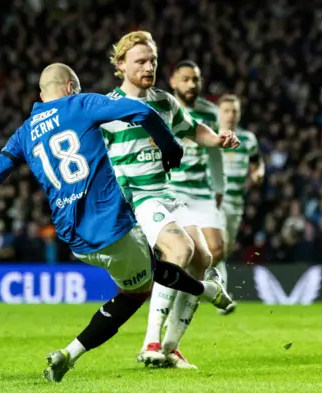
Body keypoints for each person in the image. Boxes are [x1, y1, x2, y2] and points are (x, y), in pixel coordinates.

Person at [0, 63, 233, 383]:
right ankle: (74, 352)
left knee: (145, 267)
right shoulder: (81, 103)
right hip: (112, 227)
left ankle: (208, 291)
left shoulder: (24, 132)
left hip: (74, 239)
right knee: (138, 290)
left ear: (40, 94)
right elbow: (143, 112)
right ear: (69, 88)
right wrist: (171, 148)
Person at [101, 31, 239, 369]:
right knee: (180, 251)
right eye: (140, 61)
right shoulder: (107, 107)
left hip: (167, 193)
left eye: (152, 61)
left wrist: (217, 140)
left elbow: (194, 130)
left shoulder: (164, 101)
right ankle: (150, 342)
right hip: (137, 197)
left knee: (202, 259)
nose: (149, 67)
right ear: (120, 65)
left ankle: (170, 347)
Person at [167, 62, 229, 312]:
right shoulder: (164, 108)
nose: (191, 84)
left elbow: (216, 153)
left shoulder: (210, 112)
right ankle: (170, 294)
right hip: (172, 188)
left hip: (201, 190)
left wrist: (219, 187)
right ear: (173, 82)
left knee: (216, 248)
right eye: (186, 79)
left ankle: (186, 292)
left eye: (195, 79)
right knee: (178, 249)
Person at [216, 94, 265, 314]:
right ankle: (222, 295)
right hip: (213, 200)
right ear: (218, 113)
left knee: (223, 250)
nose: (230, 115)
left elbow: (256, 162)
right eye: (226, 110)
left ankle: (207, 288)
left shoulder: (248, 139)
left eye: (234, 111)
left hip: (236, 202)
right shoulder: (211, 135)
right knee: (217, 246)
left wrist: (258, 173)